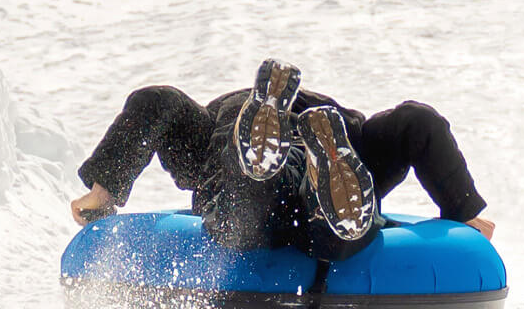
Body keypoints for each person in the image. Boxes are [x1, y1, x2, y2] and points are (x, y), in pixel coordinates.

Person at [69, 59, 494, 263]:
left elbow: (155, 103)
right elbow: (419, 126)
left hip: (232, 128)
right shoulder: (328, 126)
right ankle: (320, 174)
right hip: (336, 129)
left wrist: (102, 191)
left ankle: (256, 160)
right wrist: (463, 210)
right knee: (336, 236)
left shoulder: (210, 128)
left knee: (243, 218)